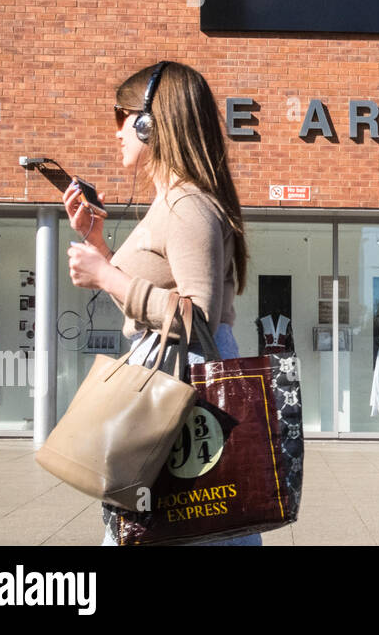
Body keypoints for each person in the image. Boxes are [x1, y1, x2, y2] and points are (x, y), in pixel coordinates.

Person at [62, 60, 260, 546]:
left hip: (183, 388)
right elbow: (151, 313)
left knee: (178, 524)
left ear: (153, 123)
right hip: (167, 375)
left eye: (122, 116)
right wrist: (101, 249)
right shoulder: (171, 201)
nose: (116, 132)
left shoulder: (187, 204)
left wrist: (107, 273)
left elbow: (197, 318)